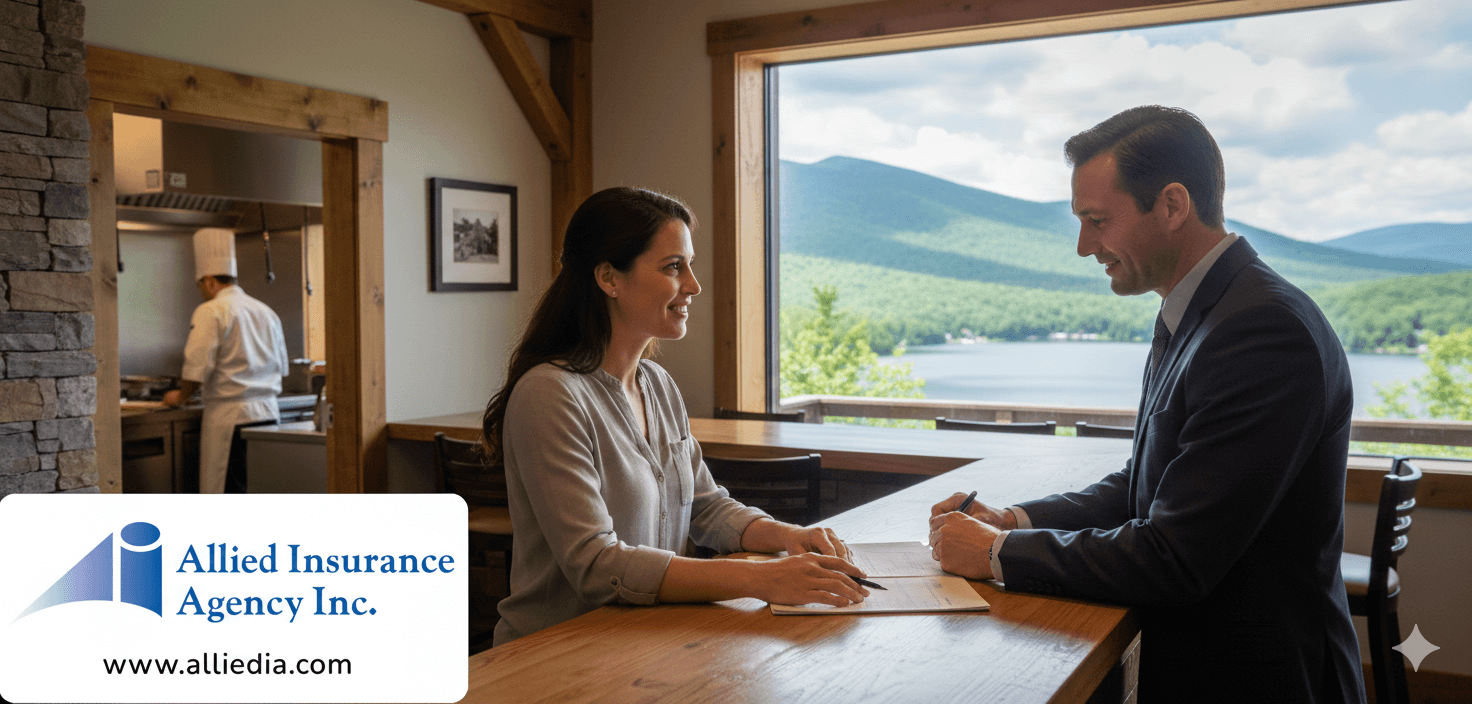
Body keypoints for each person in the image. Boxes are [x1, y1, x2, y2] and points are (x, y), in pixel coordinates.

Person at [927, 107, 1364, 702]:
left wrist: (996, 554)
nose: (1084, 247)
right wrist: (1015, 521)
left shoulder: (1261, 330)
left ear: (1173, 205)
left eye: (1097, 220)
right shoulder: (1200, 311)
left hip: (1261, 677)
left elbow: (1175, 556)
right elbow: (1146, 485)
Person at [484, 187, 870, 646]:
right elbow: (595, 565)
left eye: (689, 264)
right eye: (673, 267)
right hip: (552, 655)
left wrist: (786, 535)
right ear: (609, 277)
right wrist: (760, 580)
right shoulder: (550, 394)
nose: (693, 284)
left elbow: (705, 506)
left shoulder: (658, 385)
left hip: (643, 642)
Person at [163, 227, 290, 494]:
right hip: (269, 414)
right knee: (260, 493)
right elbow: (283, 366)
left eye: (200, 285)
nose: (201, 291)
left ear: (209, 281)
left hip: (231, 419)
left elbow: (198, 367)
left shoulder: (211, 310)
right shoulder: (266, 311)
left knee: (230, 496)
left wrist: (180, 397)